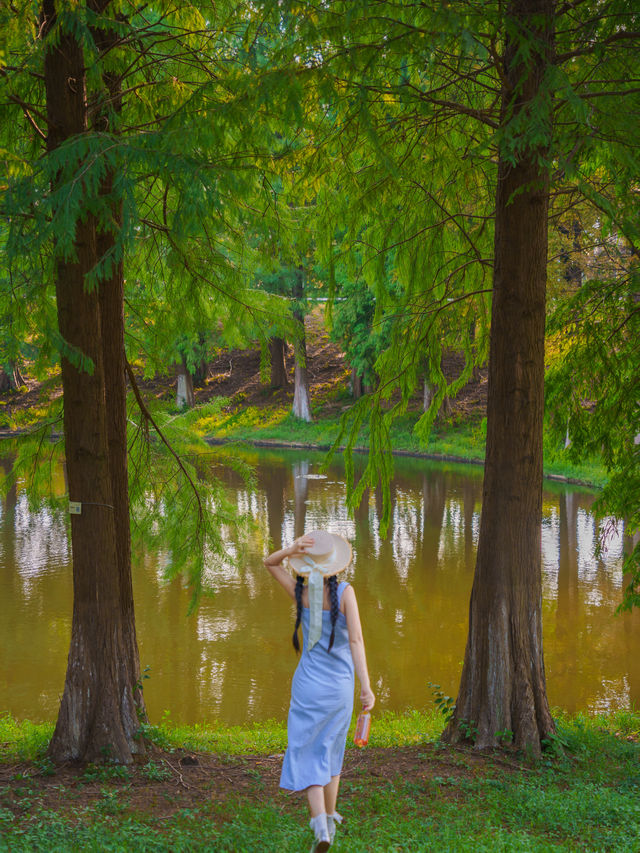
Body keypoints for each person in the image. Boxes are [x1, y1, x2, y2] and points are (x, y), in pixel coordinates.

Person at [264, 530, 375, 853]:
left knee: (306, 750)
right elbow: (356, 641)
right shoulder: (345, 592)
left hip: (308, 687)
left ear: (305, 565)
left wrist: (290, 549)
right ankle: (329, 822)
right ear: (336, 566)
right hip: (339, 688)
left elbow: (269, 563)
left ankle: (321, 825)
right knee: (330, 750)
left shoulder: (302, 593)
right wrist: (366, 687)